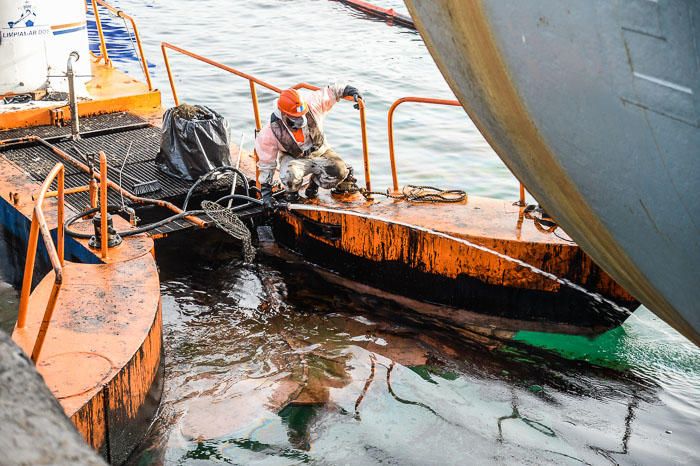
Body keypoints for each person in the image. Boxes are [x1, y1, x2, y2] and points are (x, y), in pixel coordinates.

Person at [254, 84, 363, 211]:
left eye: (302, 114)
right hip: (294, 159)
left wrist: (352, 91)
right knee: (289, 177)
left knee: (340, 171)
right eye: (295, 117)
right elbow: (267, 164)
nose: (301, 119)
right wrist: (266, 194)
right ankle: (292, 195)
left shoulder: (313, 103)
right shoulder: (269, 133)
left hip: (321, 152)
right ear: (284, 114)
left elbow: (332, 91)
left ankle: (315, 183)